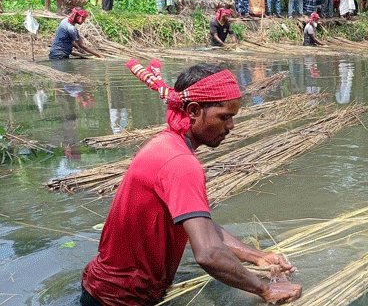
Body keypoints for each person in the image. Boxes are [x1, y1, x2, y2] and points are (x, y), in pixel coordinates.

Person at [81, 61, 303, 306]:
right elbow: (207, 253)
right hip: (120, 300)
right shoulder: (181, 164)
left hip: (102, 291)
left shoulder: (166, 144)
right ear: (194, 111)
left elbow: (203, 229)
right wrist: (264, 289)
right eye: (224, 117)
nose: (231, 126)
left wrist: (258, 257)